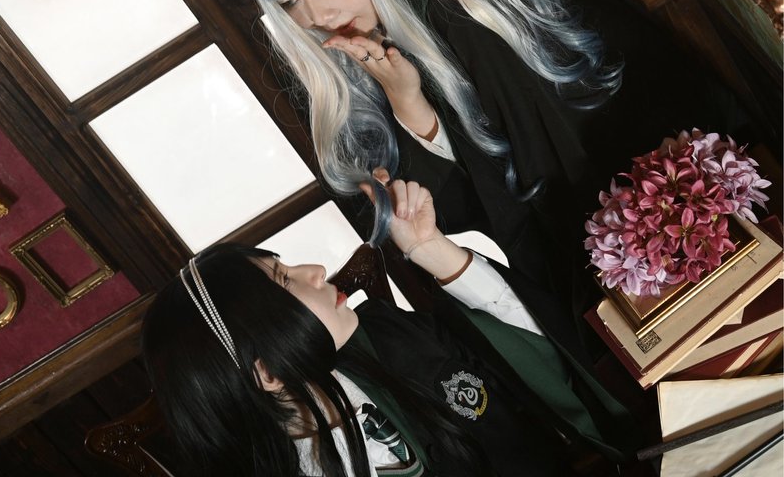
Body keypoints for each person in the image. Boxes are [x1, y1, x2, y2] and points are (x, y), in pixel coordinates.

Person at [231, 0, 753, 366]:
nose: (317, 17)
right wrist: (410, 106)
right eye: (290, 2)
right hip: (625, 234)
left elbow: (538, 191)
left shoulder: (466, 15)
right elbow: (465, 208)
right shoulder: (371, 48)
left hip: (673, 208)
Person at [142, 177, 633, 476]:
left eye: (286, 265)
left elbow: (540, 366)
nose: (315, 270)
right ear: (266, 372)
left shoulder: (380, 334)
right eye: (285, 281)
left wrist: (431, 251)